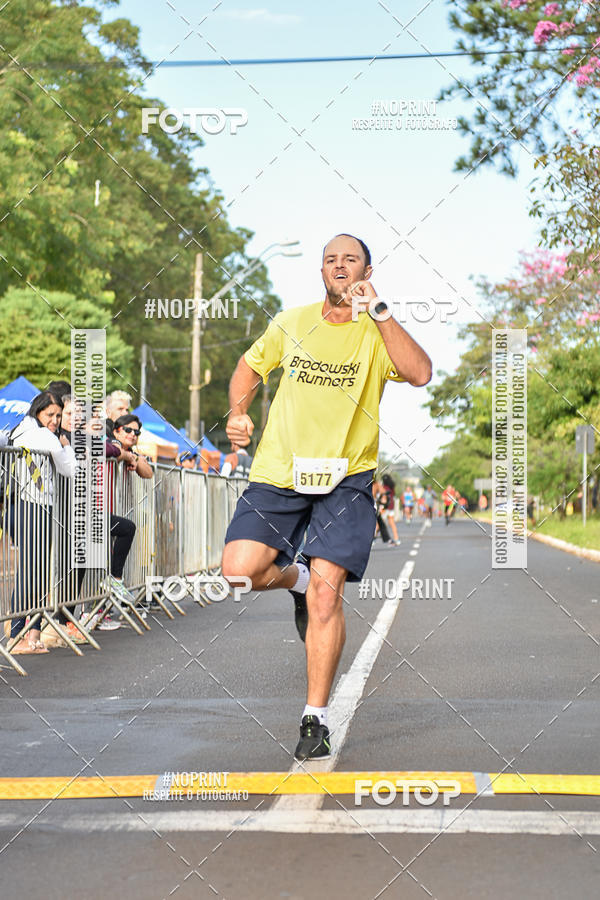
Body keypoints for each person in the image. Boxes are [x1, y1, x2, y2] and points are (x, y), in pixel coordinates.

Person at [221, 233, 431, 759]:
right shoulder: (292, 322)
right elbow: (249, 367)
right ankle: (297, 578)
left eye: (350, 260)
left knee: (326, 596)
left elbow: (420, 373)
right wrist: (238, 411)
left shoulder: (376, 332)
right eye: (331, 260)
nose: (339, 266)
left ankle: (314, 719)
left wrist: (380, 310)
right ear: (321, 272)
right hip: (279, 471)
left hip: (347, 478)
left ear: (366, 270)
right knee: (239, 572)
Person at [7, 392, 77, 654]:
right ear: (38, 411)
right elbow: (69, 469)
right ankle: (17, 637)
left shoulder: (19, 430)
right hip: (32, 506)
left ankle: (32, 636)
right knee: (31, 574)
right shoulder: (44, 435)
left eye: (59, 415)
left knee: (34, 573)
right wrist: (65, 444)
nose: (55, 420)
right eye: (51, 415)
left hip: (24, 505)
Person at [380, 474, 401, 544]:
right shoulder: (392, 487)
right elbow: (393, 495)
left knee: (379, 523)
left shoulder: (383, 487)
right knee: (392, 523)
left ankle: (372, 538)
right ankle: (396, 538)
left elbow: (383, 497)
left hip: (385, 507)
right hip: (391, 506)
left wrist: (381, 507)